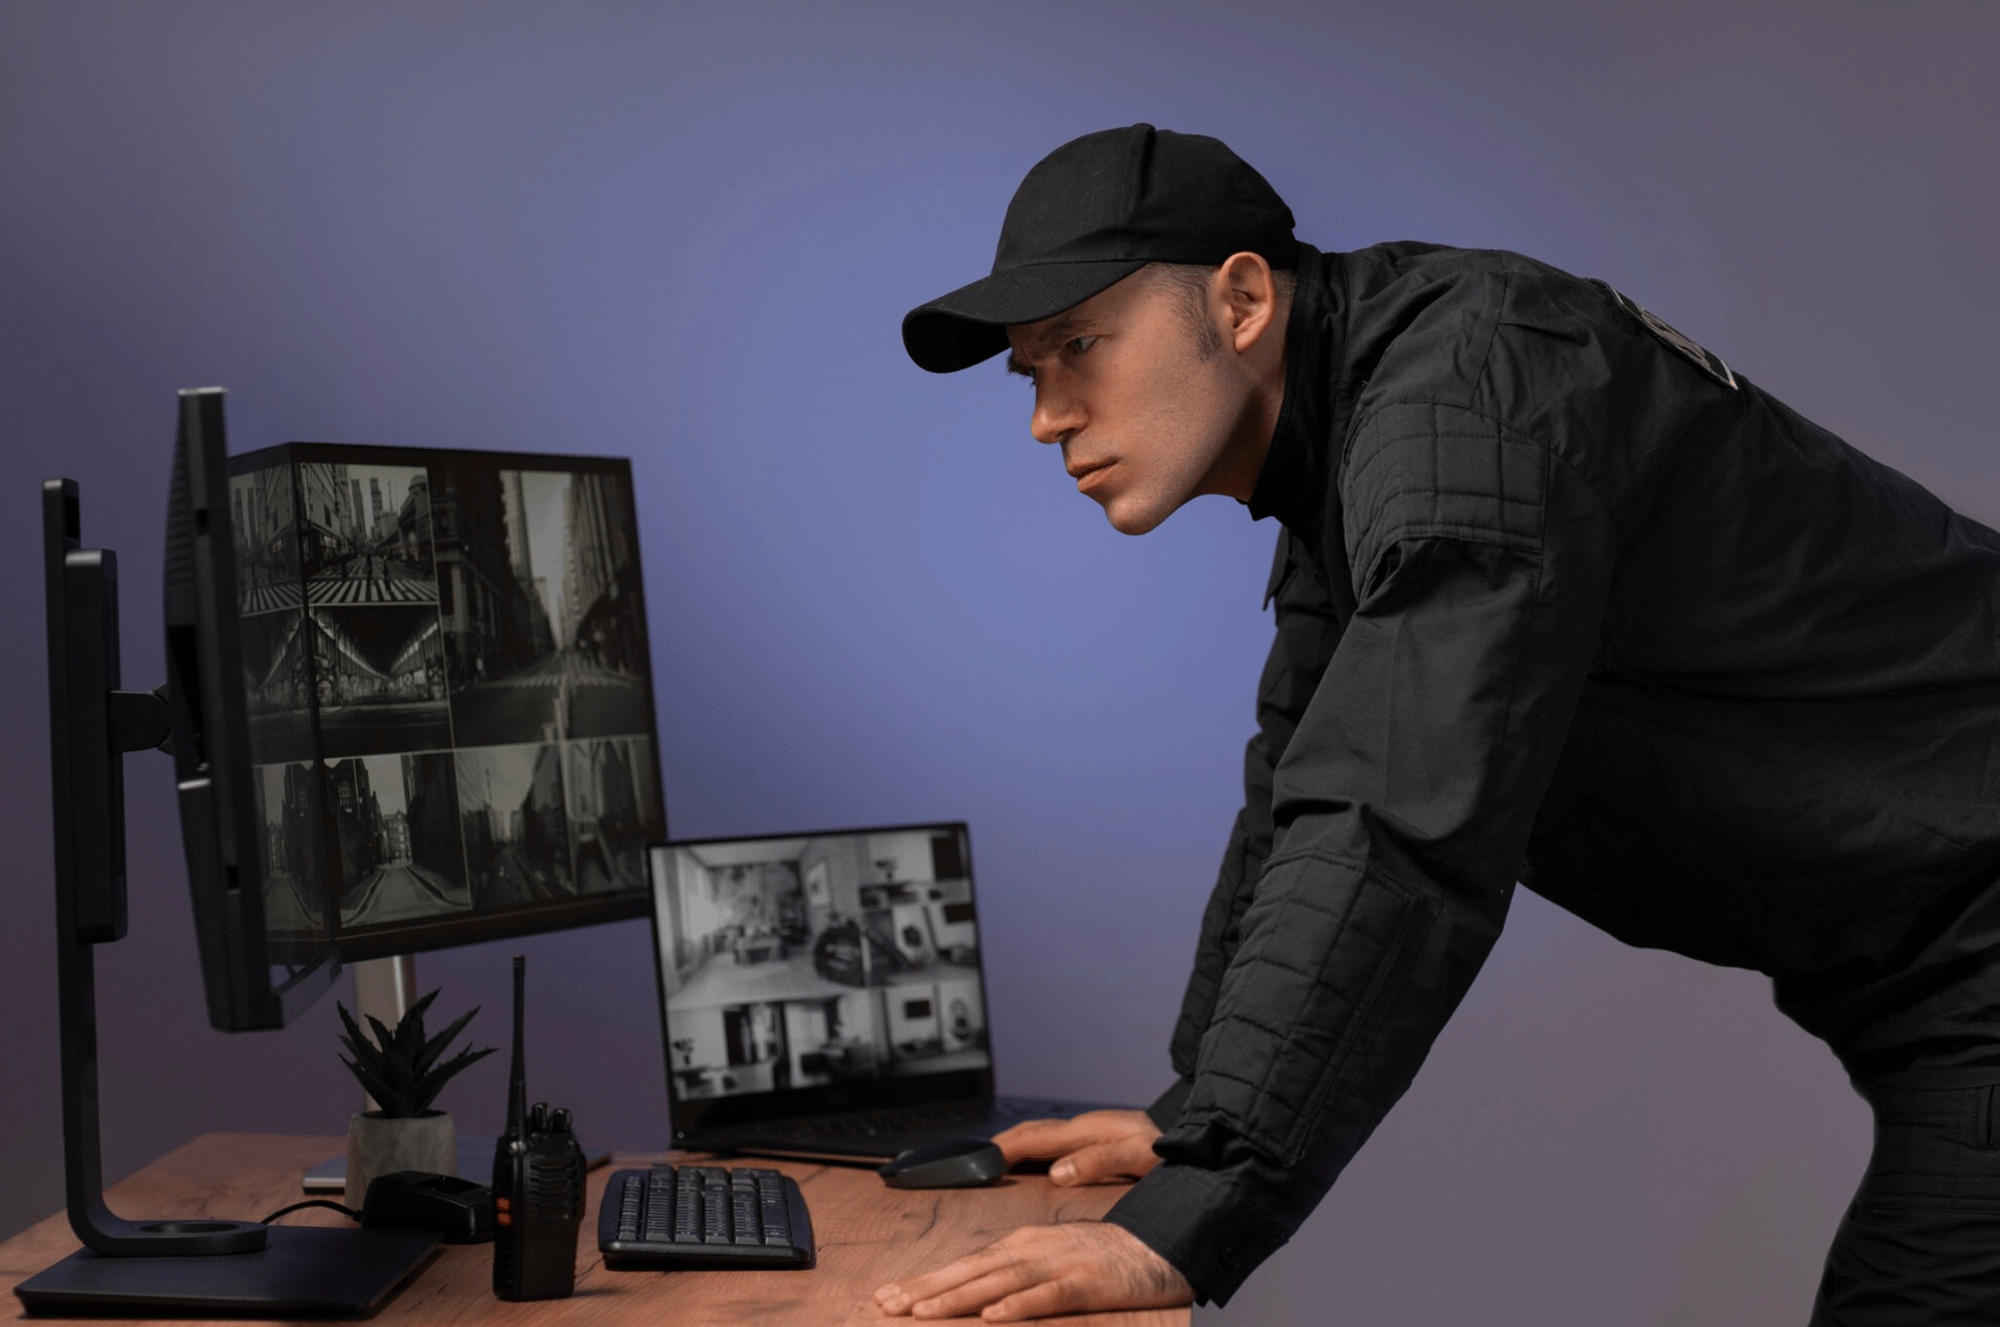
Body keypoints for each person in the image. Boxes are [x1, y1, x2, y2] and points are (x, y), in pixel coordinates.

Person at [872, 124, 2000, 1324]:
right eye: (1029, 373)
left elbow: (1393, 822)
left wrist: (1195, 1214)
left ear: (1241, 300)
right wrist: (1194, 1115)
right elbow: (1301, 787)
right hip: (1935, 978)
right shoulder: (1352, 442)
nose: (1047, 417)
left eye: (1078, 346)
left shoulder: (1464, 408)